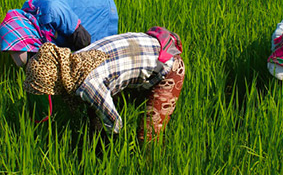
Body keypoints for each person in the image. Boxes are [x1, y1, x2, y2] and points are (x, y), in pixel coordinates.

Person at [23, 27, 185, 141]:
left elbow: (114, 122)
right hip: (145, 50)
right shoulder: (69, 61)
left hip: (168, 66)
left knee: (148, 134)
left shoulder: (88, 84)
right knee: (96, 110)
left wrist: (108, 145)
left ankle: (150, 167)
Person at [0, 0, 118, 67]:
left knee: (100, 56)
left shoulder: (50, 11)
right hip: (76, 13)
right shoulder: (33, 25)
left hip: (96, 6)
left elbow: (83, 39)